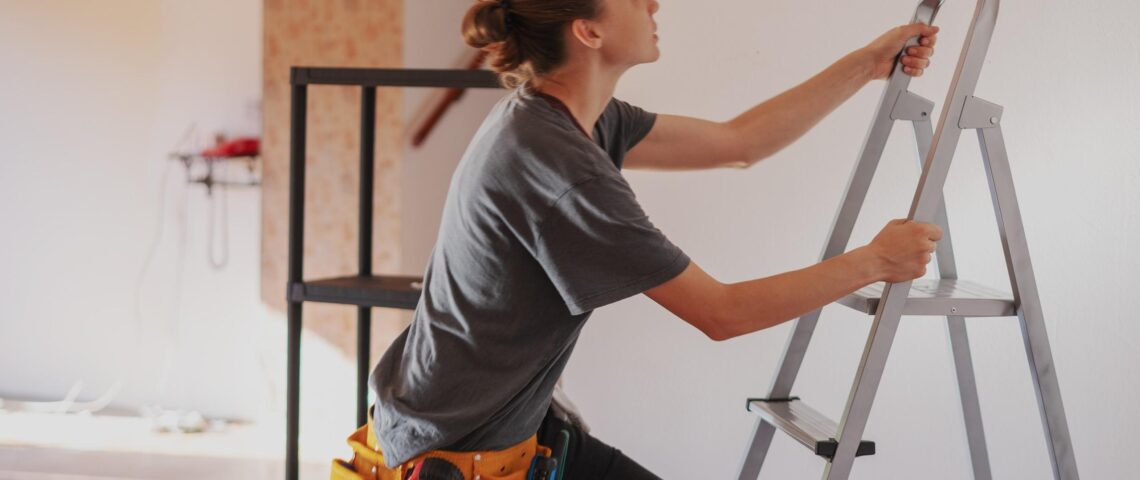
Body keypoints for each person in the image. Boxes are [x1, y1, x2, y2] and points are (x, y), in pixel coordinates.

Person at [332, 0, 942, 479]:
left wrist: (866, 63)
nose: (654, 4)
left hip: (505, 438)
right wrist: (873, 261)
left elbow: (740, 142)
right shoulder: (559, 167)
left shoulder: (571, 120)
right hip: (455, 459)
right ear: (588, 32)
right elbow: (721, 312)